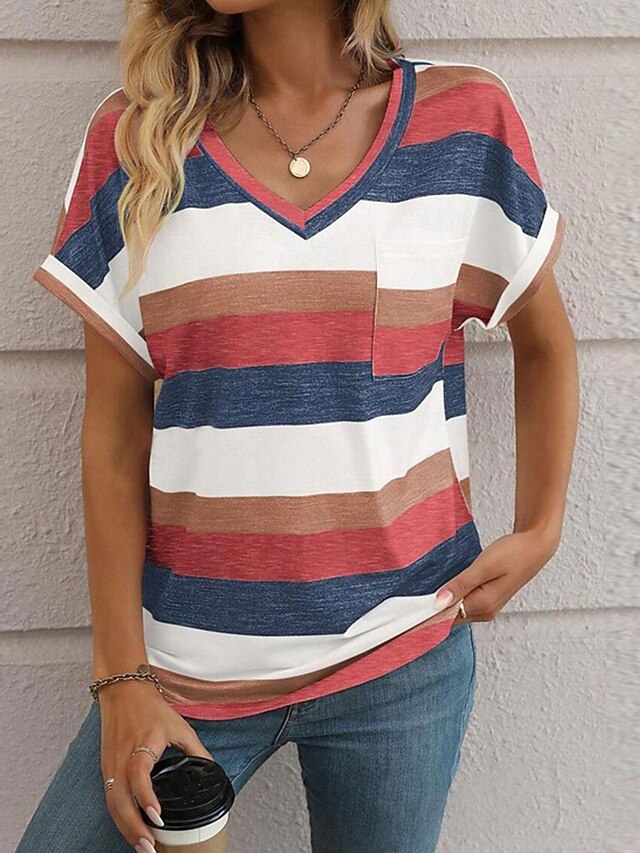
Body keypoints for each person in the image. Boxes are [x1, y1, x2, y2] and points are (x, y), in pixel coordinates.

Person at [16, 1, 579, 851]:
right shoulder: (137, 140)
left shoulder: (465, 121)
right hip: (186, 675)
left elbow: (545, 343)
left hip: (401, 658)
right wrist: (122, 676)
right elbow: (115, 433)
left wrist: (541, 528)